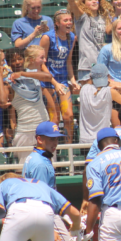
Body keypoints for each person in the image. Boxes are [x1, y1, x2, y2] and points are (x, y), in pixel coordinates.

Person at [0, 45, 53, 164]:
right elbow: (1, 100)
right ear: (9, 62)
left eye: (19, 59)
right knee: (25, 170)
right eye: (13, 60)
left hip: (43, 128)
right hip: (25, 131)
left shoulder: (33, 74)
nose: (17, 62)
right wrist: (0, 76)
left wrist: (23, 74)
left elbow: (48, 77)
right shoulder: (9, 83)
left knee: (47, 166)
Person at [40, 9, 77, 142]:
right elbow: (41, 63)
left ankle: (69, 148)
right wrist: (54, 83)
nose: (69, 23)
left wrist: (73, 80)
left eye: (70, 20)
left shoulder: (71, 37)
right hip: (48, 82)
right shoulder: (47, 37)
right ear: (57, 23)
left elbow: (68, 61)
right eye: (65, 20)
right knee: (54, 118)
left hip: (63, 81)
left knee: (68, 116)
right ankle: (52, 150)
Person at [77, 63, 121, 144]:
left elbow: (90, 84)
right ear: (107, 76)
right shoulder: (109, 91)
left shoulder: (83, 89)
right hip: (102, 140)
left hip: (84, 141)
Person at [67, 0, 112, 81]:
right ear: (84, 3)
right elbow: (73, 5)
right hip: (87, 65)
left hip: (102, 64)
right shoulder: (82, 18)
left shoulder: (103, 18)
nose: (94, 1)